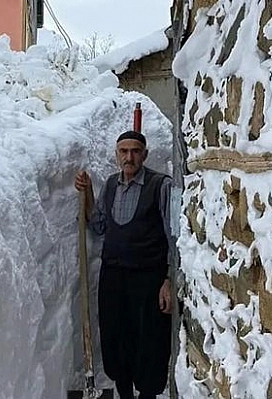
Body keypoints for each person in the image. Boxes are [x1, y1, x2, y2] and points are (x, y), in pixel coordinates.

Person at [74, 130, 173, 399]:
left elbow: (173, 235)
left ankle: (148, 395)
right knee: (116, 337)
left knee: (149, 341)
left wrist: (169, 280)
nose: (129, 157)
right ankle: (125, 393)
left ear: (145, 154)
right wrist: (89, 194)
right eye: (123, 151)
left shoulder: (161, 186)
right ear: (117, 155)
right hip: (114, 277)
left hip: (148, 278)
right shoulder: (110, 185)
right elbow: (99, 225)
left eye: (135, 151)